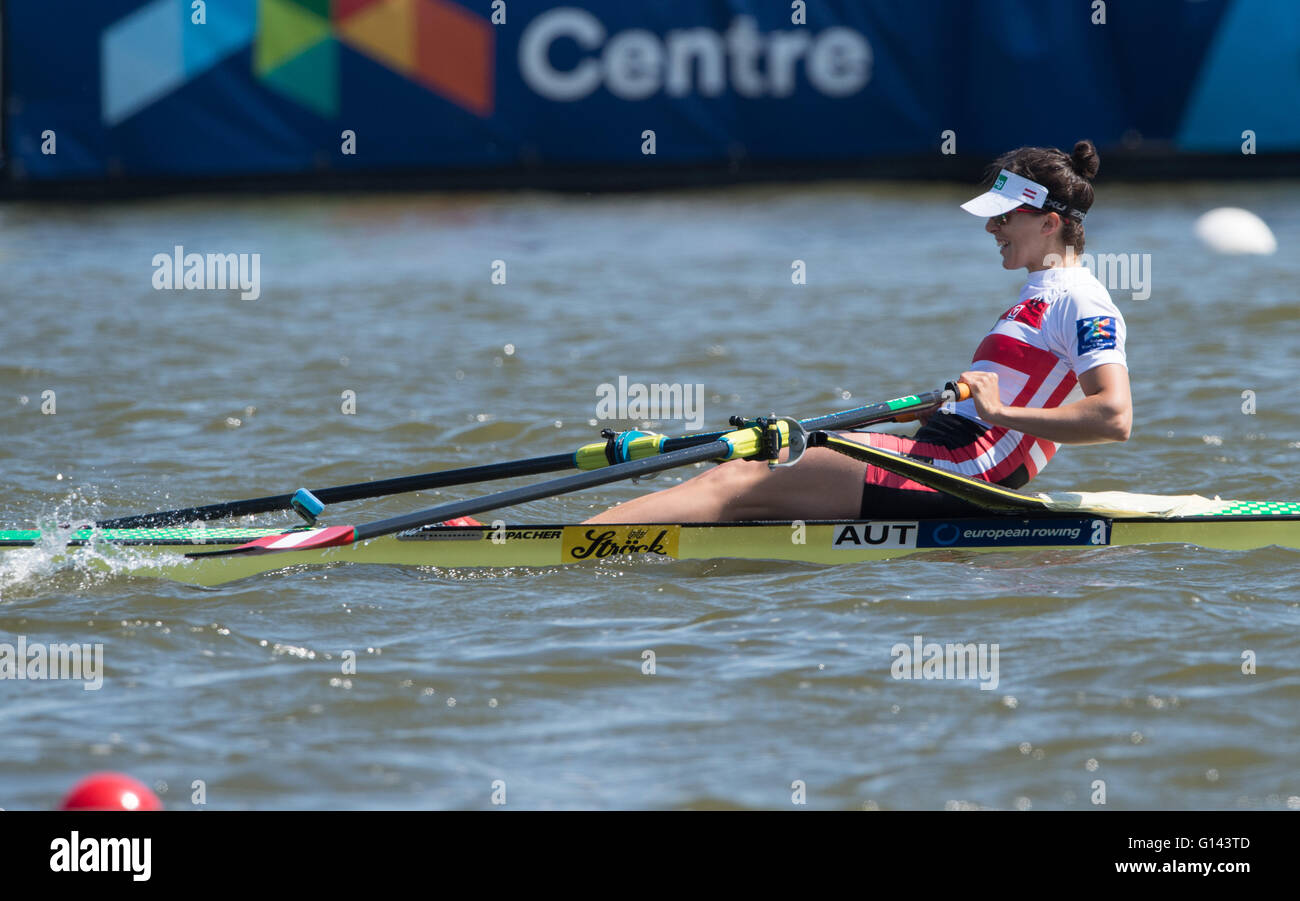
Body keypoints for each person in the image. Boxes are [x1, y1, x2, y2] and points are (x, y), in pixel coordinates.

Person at [585, 140, 1130, 524]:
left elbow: (1113, 416)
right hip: (945, 451)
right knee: (745, 458)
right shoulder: (1037, 294)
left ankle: (565, 543)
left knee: (745, 475)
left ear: (1049, 222)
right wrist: (947, 410)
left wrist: (998, 414)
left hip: (966, 471)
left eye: (1003, 217)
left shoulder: (1080, 298)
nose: (991, 228)